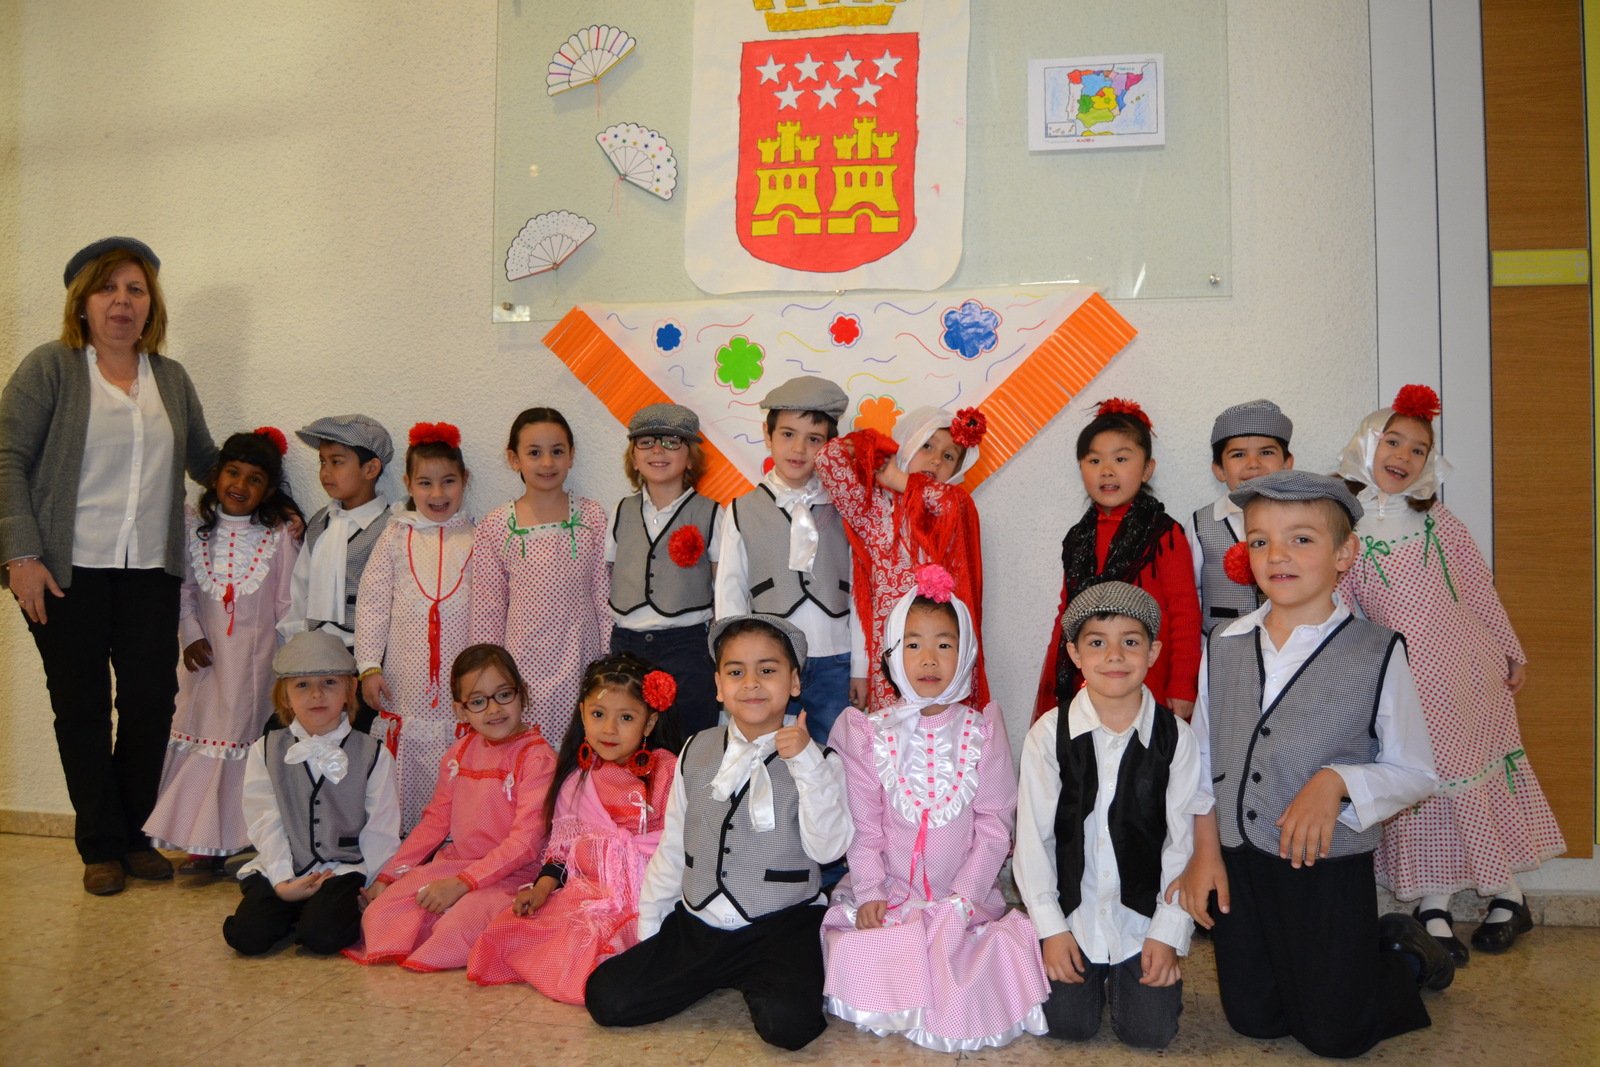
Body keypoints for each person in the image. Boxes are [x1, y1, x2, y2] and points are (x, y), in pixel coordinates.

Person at [1169, 470, 1453, 1059]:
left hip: (1324, 866)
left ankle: (1404, 955)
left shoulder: (1377, 649)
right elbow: (1202, 758)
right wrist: (1204, 854)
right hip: (1239, 860)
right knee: (1255, 1021)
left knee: (1336, 1036)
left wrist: (1338, 780)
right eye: (1260, 540)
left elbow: (1417, 772)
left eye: (1301, 539)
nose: (1277, 555)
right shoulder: (1223, 644)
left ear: (1344, 553)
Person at [0, 236, 218, 895]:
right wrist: (20, 554)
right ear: (82, 301)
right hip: (63, 571)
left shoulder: (170, 378)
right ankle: (100, 845)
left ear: (151, 303)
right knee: (82, 706)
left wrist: (271, 494)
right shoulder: (52, 367)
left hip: (151, 571)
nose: (122, 301)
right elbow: (7, 458)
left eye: (136, 289)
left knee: (152, 702)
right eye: (108, 288)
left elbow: (206, 461)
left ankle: (134, 836)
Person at [1336, 385, 1564, 962]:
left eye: (1418, 449)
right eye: (1393, 441)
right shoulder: (1343, 529)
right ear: (1366, 444)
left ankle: (1496, 896)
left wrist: (1510, 650)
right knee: (1421, 784)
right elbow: (1343, 610)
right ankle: (1441, 902)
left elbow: (1478, 589)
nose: (1404, 456)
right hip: (1403, 684)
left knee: (1466, 780)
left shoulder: (1438, 521)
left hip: (1466, 677)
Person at [585, 615, 852, 1050]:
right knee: (606, 998)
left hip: (780, 924)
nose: (751, 683)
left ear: (794, 682)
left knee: (789, 1027)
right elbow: (674, 846)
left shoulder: (821, 760)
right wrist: (652, 934)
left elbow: (829, 848)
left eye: (767, 670)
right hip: (699, 922)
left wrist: (806, 766)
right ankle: (710, 973)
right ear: (718, 686)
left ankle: (759, 976)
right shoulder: (696, 749)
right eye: (736, 672)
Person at [821, 566, 1048, 1051]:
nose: (929, 658)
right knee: (857, 948)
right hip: (893, 895)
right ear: (892, 654)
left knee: (981, 960)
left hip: (963, 901)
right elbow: (865, 826)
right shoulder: (870, 734)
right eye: (913, 644)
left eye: (945, 644)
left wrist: (963, 897)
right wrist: (870, 890)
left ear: (965, 653)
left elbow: (994, 825)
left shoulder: (982, 730)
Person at [1014, 582, 1199, 1050]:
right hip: (1072, 917)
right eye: (1097, 642)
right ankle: (1081, 972)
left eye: (1130, 642)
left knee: (1149, 1032)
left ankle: (1129, 975)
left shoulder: (1176, 738)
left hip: (1141, 921)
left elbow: (1182, 844)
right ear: (1075, 653)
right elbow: (1034, 840)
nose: (1114, 655)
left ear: (1153, 652)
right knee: (1067, 1025)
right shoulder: (1048, 735)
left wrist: (1168, 932)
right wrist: (1051, 930)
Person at [467, 652, 681, 1002]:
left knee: (607, 953)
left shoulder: (669, 772)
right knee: (512, 930)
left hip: (651, 898)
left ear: (649, 723)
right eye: (598, 715)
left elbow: (682, 844)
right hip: (589, 895)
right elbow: (561, 853)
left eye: (626, 717)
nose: (609, 729)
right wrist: (541, 890)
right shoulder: (576, 782)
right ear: (582, 714)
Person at [144, 428, 301, 875]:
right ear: (215, 476)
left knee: (244, 739)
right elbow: (183, 590)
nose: (241, 485)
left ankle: (239, 841)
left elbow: (288, 602)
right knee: (200, 733)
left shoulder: (278, 535)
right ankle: (200, 840)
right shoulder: (192, 528)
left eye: (255, 479)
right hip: (205, 661)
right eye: (233, 472)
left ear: (268, 490)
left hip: (258, 665)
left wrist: (289, 664)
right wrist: (190, 633)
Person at [346, 644, 556, 972]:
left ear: (522, 694)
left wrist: (462, 884)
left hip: (512, 874)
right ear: (461, 710)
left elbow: (525, 843)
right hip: (456, 865)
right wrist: (388, 876)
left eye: (504, 695)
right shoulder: (458, 753)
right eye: (478, 701)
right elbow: (435, 822)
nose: (493, 709)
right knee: (379, 912)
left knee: (455, 927)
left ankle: (462, 920)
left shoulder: (537, 758)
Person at [222, 631, 400, 956]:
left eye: (329, 682)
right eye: (302, 685)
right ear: (285, 697)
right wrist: (280, 881)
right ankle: (293, 908)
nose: (317, 694)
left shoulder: (374, 754)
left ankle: (314, 915)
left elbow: (381, 828)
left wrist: (376, 883)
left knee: (323, 937)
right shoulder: (265, 750)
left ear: (350, 690)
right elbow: (265, 820)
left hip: (343, 868)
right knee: (248, 937)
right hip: (287, 864)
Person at [1034, 399, 1201, 722]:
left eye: (1121, 459)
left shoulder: (1163, 532)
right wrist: (1056, 677)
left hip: (1146, 672)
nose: (1107, 470)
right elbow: (1067, 611)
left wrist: (1183, 684)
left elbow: (1185, 613)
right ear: (1081, 467)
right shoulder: (1078, 538)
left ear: (1147, 468)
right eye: (1094, 460)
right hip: (1088, 670)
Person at [814, 405, 987, 712]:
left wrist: (900, 480)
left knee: (942, 732)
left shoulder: (951, 509)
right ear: (907, 444)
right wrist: (873, 446)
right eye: (927, 446)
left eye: (949, 456)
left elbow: (953, 503)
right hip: (889, 657)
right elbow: (827, 458)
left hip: (941, 657)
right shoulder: (872, 508)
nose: (936, 459)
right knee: (891, 734)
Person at [715, 376, 857, 745]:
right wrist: (734, 665)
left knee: (835, 752)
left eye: (814, 439)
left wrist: (861, 666)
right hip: (768, 665)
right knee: (769, 752)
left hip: (836, 658)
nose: (799, 448)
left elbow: (862, 594)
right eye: (788, 434)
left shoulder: (847, 507)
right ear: (768, 434)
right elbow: (730, 592)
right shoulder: (742, 509)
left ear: (830, 445)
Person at [356, 421, 476, 830]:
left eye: (448, 482)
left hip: (460, 678)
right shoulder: (395, 536)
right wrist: (368, 666)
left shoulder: (478, 537)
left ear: (465, 480)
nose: (437, 494)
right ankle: (405, 834)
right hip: (404, 678)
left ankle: (453, 837)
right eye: (425, 483)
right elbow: (372, 604)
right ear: (408, 483)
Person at [470, 407, 609, 749]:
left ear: (571, 455)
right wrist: (489, 676)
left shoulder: (592, 516)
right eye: (534, 453)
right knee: (529, 754)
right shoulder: (495, 526)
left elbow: (604, 596)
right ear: (514, 459)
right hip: (522, 666)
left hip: (583, 660)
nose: (547, 462)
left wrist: (609, 661)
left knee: (580, 751)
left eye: (557, 451)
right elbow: (487, 609)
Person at [605, 403, 723, 735]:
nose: (658, 450)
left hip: (687, 647)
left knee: (689, 735)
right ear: (634, 457)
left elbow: (723, 586)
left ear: (691, 457)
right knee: (632, 739)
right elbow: (611, 574)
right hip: (627, 647)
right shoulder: (621, 511)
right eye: (646, 442)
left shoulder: (712, 513)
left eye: (672, 442)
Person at [280, 414, 394, 654]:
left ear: (371, 469)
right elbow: (301, 586)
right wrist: (296, 639)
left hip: (370, 653)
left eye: (337, 462)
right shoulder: (319, 522)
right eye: (323, 462)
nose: (325, 472)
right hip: (318, 651)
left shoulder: (392, 527)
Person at [1184, 399, 1294, 634]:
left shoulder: (1302, 520)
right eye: (1238, 455)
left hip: (1287, 641)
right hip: (1220, 641)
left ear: (1287, 463)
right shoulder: (1202, 523)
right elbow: (1189, 592)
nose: (1253, 464)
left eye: (1266, 452)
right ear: (1219, 470)